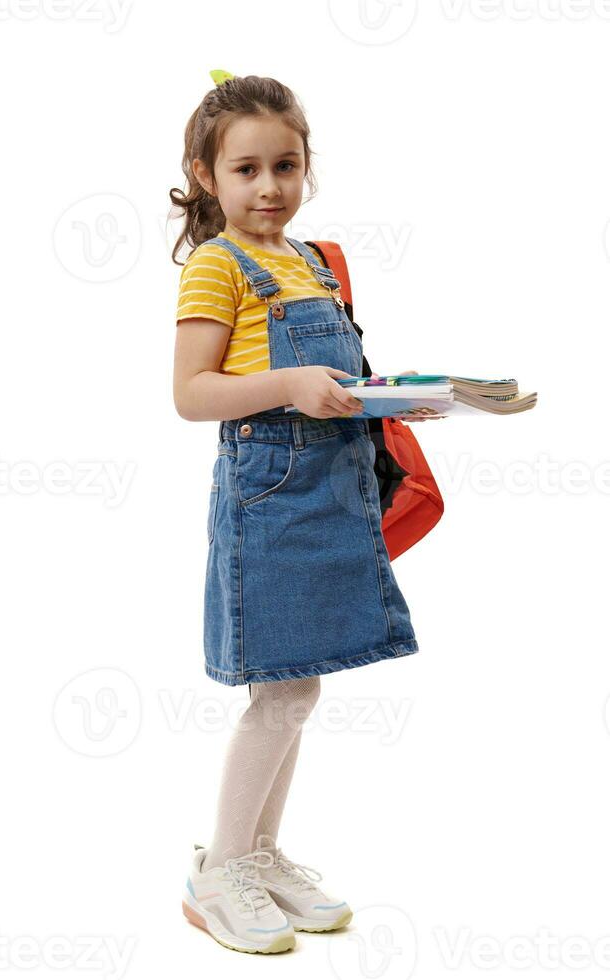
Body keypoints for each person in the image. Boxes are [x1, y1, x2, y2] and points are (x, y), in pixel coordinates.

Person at [170, 70, 420, 955]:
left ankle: (260, 854)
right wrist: (288, 385)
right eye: (247, 169)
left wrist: (395, 399)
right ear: (207, 175)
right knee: (277, 692)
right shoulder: (217, 264)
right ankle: (220, 870)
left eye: (287, 164)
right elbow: (193, 394)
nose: (269, 186)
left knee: (298, 685)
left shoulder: (310, 261)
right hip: (271, 495)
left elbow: (333, 384)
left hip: (331, 488)